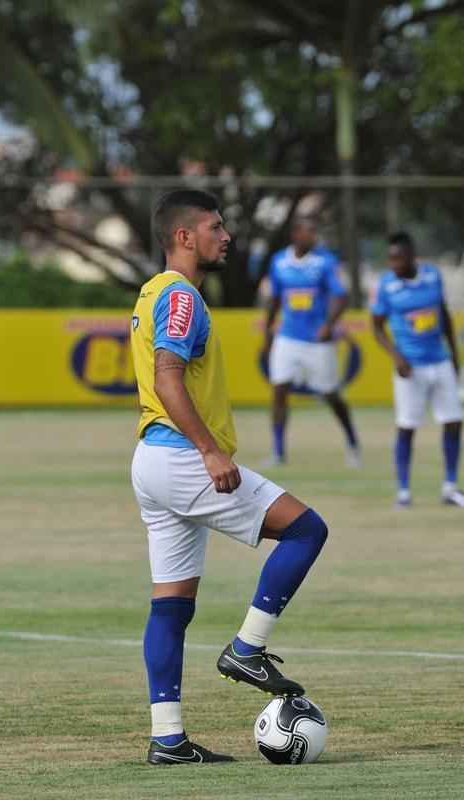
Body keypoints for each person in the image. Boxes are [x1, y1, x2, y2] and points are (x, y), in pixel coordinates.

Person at [130, 190, 328, 765]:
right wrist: (211, 451)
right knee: (307, 530)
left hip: (152, 462)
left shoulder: (150, 292)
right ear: (185, 237)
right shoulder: (182, 295)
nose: (227, 236)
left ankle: (168, 739)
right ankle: (248, 648)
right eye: (216, 227)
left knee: (170, 606)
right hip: (183, 459)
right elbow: (169, 379)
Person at [371, 231, 463, 508]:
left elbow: (443, 314)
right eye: (390, 259)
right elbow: (376, 325)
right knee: (407, 427)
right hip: (409, 368)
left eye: (398, 258)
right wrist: (396, 356)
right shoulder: (387, 285)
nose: (393, 264)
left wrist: (454, 356)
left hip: (440, 360)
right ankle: (404, 491)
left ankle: (449, 486)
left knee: (453, 421)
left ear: (411, 256)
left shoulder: (432, 276)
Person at [264, 217, 361, 466]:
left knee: (331, 395)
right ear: (295, 234)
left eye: (314, 231)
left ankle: (352, 442)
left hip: (318, 341)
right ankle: (278, 452)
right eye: (309, 231)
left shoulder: (325, 262)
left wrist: (328, 326)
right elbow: (275, 298)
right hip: (287, 337)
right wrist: (268, 328)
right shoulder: (279, 262)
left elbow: (341, 296)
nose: (313, 236)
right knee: (279, 390)